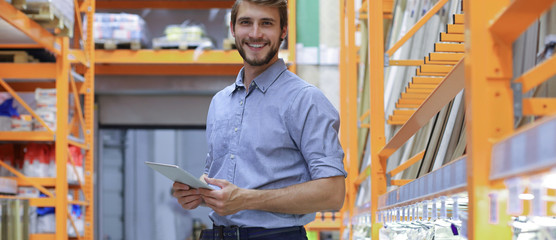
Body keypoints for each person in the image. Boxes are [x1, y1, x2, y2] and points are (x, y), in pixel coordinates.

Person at [172, 0, 346, 239]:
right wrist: (197, 191)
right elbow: (219, 179)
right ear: (233, 28)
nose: (255, 34)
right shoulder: (220, 102)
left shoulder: (305, 100)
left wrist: (246, 199)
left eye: (266, 23)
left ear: (283, 30)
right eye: (246, 22)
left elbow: (333, 194)